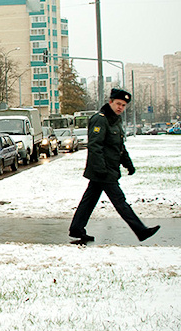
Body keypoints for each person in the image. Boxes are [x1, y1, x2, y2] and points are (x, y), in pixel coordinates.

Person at [69, 88, 161, 243]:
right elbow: (95, 146)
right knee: (120, 201)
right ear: (110, 102)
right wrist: (101, 169)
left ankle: (76, 229)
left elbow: (119, 146)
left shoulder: (115, 121)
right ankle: (141, 231)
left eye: (124, 105)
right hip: (103, 170)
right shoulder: (100, 119)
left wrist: (128, 164)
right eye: (118, 104)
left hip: (109, 169)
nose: (120, 108)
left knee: (89, 200)